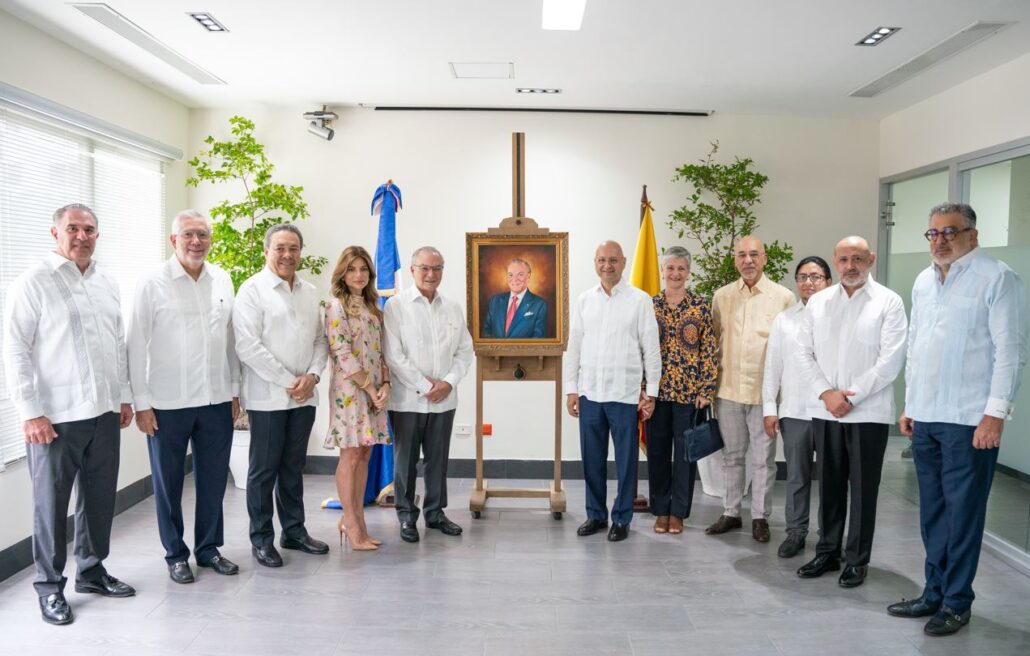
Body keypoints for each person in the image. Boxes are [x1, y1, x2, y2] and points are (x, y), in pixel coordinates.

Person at [890, 203, 1028, 636]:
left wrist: (995, 415)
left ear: (973, 234)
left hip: (970, 420)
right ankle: (933, 592)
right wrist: (911, 404)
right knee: (933, 512)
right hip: (927, 416)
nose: (940, 240)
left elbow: (1011, 353)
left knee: (963, 513)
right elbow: (917, 347)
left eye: (950, 231)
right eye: (933, 233)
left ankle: (956, 601)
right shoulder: (923, 282)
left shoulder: (997, 277)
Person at [3, 203, 136, 625]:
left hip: (102, 412)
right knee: (50, 505)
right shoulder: (33, 282)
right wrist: (30, 412)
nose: (82, 236)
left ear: (99, 234)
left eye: (90, 229)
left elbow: (118, 345)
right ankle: (48, 587)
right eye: (73, 228)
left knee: (98, 500)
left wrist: (123, 396)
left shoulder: (106, 282)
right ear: (54, 232)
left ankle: (92, 572)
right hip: (54, 418)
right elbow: (16, 350)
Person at [126, 210, 241, 584]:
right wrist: (140, 403)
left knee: (212, 480)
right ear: (173, 240)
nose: (197, 241)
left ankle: (208, 549)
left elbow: (229, 342)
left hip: (215, 399)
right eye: (189, 234)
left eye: (203, 235)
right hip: (166, 404)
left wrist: (234, 392)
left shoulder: (222, 279)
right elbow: (135, 345)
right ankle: (176, 554)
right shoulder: (151, 283)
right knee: (168, 482)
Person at [795, 236, 907, 588]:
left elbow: (891, 361)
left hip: (868, 413)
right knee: (828, 486)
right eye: (843, 259)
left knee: (862, 490)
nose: (850, 266)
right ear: (835, 261)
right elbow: (803, 353)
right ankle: (828, 551)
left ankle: (857, 560)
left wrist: (850, 398)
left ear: (870, 259)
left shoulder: (889, 302)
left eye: (858, 258)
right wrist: (827, 394)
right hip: (826, 410)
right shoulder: (819, 302)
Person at [233, 224, 329, 567]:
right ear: (266, 251)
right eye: (280, 248)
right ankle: (262, 539)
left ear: (301, 251)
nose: (288, 255)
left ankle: (294, 531)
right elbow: (247, 346)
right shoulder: (251, 290)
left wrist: (314, 376)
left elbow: (321, 340)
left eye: (294, 248)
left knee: (292, 466)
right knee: (263, 471)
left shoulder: (310, 291)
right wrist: (291, 380)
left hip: (304, 398)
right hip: (268, 397)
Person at [565, 240, 661, 542]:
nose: (607, 266)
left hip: (625, 395)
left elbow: (651, 349)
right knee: (591, 460)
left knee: (626, 462)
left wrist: (653, 392)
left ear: (623, 262)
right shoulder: (584, 300)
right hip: (590, 393)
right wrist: (571, 389)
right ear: (595, 262)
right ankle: (596, 515)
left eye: (613, 260)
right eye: (602, 260)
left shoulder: (640, 300)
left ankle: (622, 518)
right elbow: (574, 347)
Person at [706, 235, 794, 542]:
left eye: (754, 254)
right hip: (728, 390)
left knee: (763, 460)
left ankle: (760, 516)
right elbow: (712, 343)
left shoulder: (783, 297)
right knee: (732, 456)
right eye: (742, 255)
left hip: (764, 396)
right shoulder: (722, 296)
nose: (748, 261)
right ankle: (731, 512)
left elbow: (789, 350)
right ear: (735, 260)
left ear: (765, 258)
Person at [383, 246, 473, 543]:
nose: (431, 274)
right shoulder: (396, 307)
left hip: (445, 400)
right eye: (425, 268)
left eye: (437, 268)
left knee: (438, 460)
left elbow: (464, 350)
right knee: (405, 461)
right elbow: (393, 355)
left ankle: (435, 514)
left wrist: (447, 382)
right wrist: (425, 385)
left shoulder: (453, 308)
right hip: (408, 400)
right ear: (412, 270)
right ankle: (407, 515)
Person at [761, 256, 832, 558]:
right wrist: (769, 407)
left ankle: (829, 539)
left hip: (831, 413)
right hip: (794, 411)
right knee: (797, 477)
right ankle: (796, 532)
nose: (808, 283)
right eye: (803, 277)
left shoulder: (838, 317)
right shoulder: (785, 319)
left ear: (828, 281)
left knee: (831, 479)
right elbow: (772, 366)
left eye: (816, 277)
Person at [323, 245, 392, 551]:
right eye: (352, 269)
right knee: (350, 455)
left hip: (375, 390)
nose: (359, 275)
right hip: (351, 392)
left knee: (364, 453)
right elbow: (340, 352)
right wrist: (368, 387)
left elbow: (382, 352)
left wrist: (385, 384)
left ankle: (356, 520)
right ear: (342, 273)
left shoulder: (373, 308)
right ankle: (352, 522)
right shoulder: (336, 306)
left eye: (364, 269)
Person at [646, 246, 717, 535]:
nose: (675, 274)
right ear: (662, 270)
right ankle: (660, 510)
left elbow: (709, 349)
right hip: (657, 393)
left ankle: (679, 513)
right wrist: (643, 390)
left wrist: (706, 388)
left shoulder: (700, 306)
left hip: (690, 395)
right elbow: (640, 350)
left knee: (686, 456)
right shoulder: (649, 306)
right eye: (670, 268)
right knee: (658, 454)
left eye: (681, 269)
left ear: (688, 272)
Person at [482, 258, 548, 338]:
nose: (515, 279)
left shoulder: (539, 305)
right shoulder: (495, 301)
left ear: (528, 276)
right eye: (510, 275)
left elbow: (538, 339)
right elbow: (486, 333)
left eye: (520, 274)